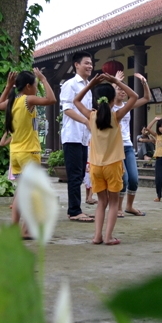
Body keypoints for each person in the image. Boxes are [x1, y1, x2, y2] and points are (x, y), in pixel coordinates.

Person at [72, 73, 139, 245]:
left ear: (96, 100)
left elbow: (76, 101)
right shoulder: (116, 116)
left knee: (101, 202)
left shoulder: (91, 116)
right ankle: (108, 237)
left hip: (96, 166)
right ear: (112, 99)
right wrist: (116, 81)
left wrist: (90, 85)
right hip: (113, 165)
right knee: (114, 203)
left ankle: (97, 237)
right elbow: (134, 96)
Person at [0, 68, 56, 239]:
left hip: (15, 153)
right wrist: (44, 79)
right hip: (28, 153)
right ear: (28, 86)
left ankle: (18, 229)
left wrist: (8, 87)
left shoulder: (13, 101)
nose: (37, 88)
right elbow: (51, 99)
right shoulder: (27, 99)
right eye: (36, 85)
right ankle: (25, 230)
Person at [59, 51, 94, 222]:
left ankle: (75, 208)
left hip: (83, 138)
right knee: (74, 175)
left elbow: (85, 111)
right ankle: (74, 211)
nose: (90, 66)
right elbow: (67, 109)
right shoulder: (70, 84)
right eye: (86, 63)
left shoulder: (88, 87)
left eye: (91, 63)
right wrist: (85, 121)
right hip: (72, 136)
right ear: (77, 65)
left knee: (79, 175)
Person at [113, 71, 151, 217]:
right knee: (123, 178)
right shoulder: (109, 106)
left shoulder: (127, 105)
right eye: (119, 89)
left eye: (124, 89)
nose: (122, 91)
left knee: (134, 179)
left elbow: (146, 98)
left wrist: (144, 82)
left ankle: (129, 206)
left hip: (128, 146)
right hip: (115, 147)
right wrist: (115, 81)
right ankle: (118, 208)